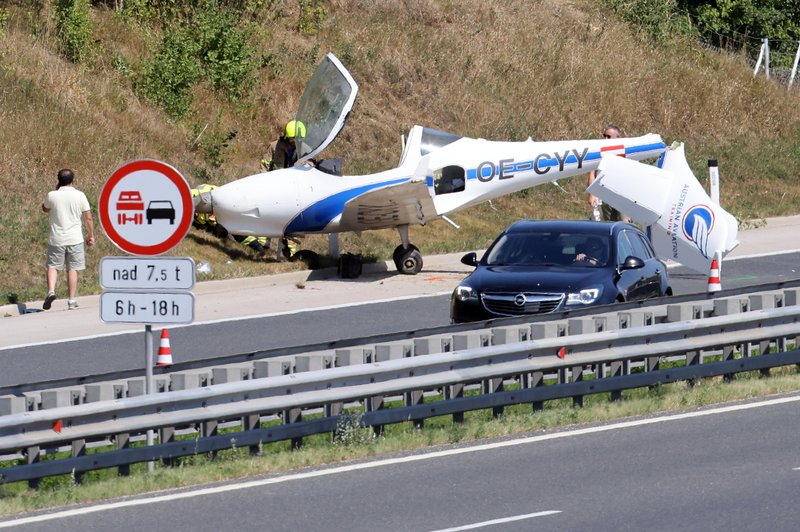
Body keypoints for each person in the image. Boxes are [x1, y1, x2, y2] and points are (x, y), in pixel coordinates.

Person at [41, 168, 95, 310]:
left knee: (53, 266)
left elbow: (45, 208)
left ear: (58, 180)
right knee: (72, 269)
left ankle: (51, 291)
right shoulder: (80, 195)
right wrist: (91, 235)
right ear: (73, 180)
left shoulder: (52, 195)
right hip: (75, 238)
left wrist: (55, 192)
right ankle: (71, 301)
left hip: (56, 238)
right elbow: (88, 217)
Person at [259, 120, 306, 257]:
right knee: (269, 214)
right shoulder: (275, 146)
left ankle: (288, 251)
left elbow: (310, 166)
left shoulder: (305, 149)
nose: (293, 141)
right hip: (274, 186)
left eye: (296, 139)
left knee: (291, 219)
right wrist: (263, 182)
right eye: (291, 139)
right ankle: (263, 244)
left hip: (294, 191)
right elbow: (264, 165)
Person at [587, 124, 629, 222]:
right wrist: (592, 194)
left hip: (623, 195)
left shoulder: (626, 151)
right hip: (605, 195)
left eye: (609, 137)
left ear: (617, 138)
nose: (606, 139)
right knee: (609, 225)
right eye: (604, 136)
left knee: (624, 223)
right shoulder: (599, 152)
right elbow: (592, 173)